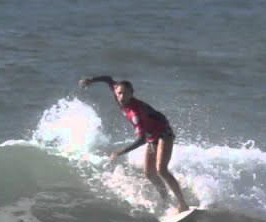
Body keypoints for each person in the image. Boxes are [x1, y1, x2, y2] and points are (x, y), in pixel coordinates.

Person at [79, 75, 190, 213]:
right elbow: (108, 79)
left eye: (126, 94)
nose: (122, 96)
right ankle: (165, 199)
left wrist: (121, 151)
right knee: (149, 173)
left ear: (132, 94)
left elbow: (141, 139)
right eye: (119, 93)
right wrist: (91, 80)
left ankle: (182, 204)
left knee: (161, 169)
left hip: (163, 132)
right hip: (151, 135)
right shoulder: (117, 93)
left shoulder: (136, 113)